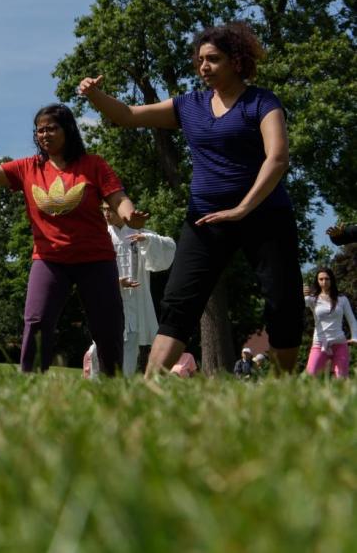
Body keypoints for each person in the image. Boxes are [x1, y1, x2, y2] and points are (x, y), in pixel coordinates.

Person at [78, 22, 304, 376]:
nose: (203, 67)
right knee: (179, 301)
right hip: (205, 219)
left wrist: (243, 208)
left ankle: (284, 384)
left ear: (237, 61)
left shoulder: (261, 102)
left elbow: (277, 157)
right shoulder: (189, 105)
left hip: (264, 215)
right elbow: (127, 116)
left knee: (283, 301)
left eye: (213, 59)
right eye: (200, 60)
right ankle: (150, 386)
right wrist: (96, 96)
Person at [0, 103, 148, 374]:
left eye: (51, 128)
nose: (44, 134)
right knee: (37, 320)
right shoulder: (28, 167)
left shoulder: (93, 164)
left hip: (95, 259)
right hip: (49, 259)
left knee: (108, 325)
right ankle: (30, 382)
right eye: (39, 130)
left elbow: (118, 197)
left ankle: (113, 385)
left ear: (68, 130)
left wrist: (129, 215)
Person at [87, 206, 177, 376]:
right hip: (108, 299)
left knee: (130, 346)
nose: (106, 213)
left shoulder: (138, 232)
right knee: (99, 346)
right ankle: (96, 387)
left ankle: (123, 389)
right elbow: (90, 269)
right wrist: (115, 282)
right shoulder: (100, 235)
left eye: (110, 209)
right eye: (103, 209)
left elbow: (170, 246)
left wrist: (148, 240)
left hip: (134, 302)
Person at [303, 267, 357, 379]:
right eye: (321, 279)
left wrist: (355, 337)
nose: (324, 282)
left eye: (327, 279)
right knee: (310, 377)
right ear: (317, 281)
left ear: (331, 280)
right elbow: (297, 304)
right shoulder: (313, 299)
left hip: (340, 344)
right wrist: (302, 294)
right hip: (319, 344)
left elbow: (352, 320)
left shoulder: (342, 299)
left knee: (341, 380)